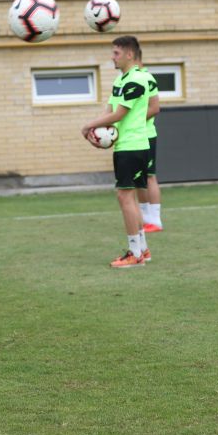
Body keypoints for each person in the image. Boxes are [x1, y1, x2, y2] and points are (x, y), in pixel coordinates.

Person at [81, 36, 151, 268]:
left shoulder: (137, 79)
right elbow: (109, 111)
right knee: (129, 198)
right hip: (125, 146)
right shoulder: (121, 80)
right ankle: (142, 250)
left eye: (116, 53)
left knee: (125, 197)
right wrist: (98, 135)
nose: (112, 57)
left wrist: (88, 125)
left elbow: (120, 114)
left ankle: (134, 253)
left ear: (129, 55)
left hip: (133, 146)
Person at [137, 66, 163, 232]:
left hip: (145, 135)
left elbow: (154, 108)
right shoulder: (125, 78)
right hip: (132, 137)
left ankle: (155, 220)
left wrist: (131, 121)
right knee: (138, 179)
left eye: (117, 54)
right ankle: (146, 218)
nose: (113, 58)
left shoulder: (145, 78)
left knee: (149, 176)